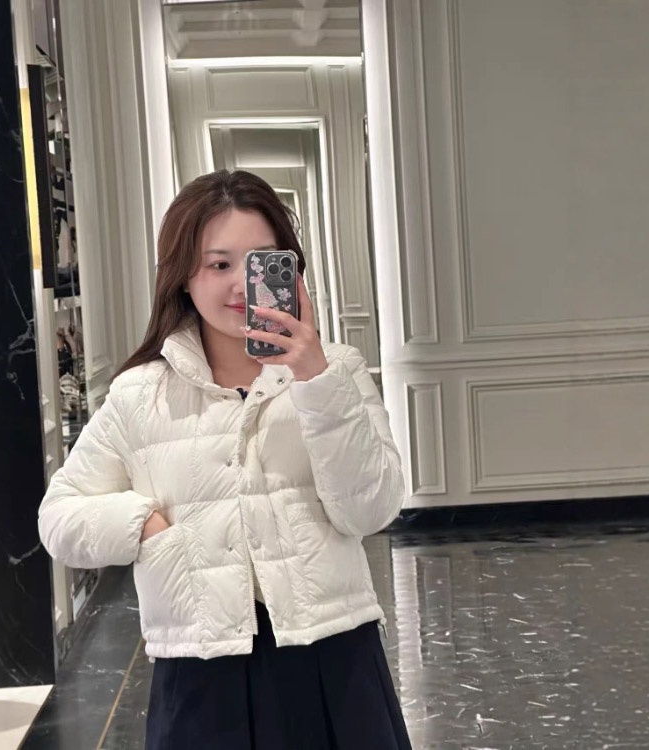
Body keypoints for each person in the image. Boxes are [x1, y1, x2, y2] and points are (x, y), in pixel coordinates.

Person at [38, 170, 410, 749]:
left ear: (289, 272)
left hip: (333, 660)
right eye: (218, 264)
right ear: (183, 278)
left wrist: (315, 380)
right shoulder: (141, 395)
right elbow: (59, 518)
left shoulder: (336, 371)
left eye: (261, 263)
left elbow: (372, 510)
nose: (241, 283)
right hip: (201, 670)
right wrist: (145, 524)